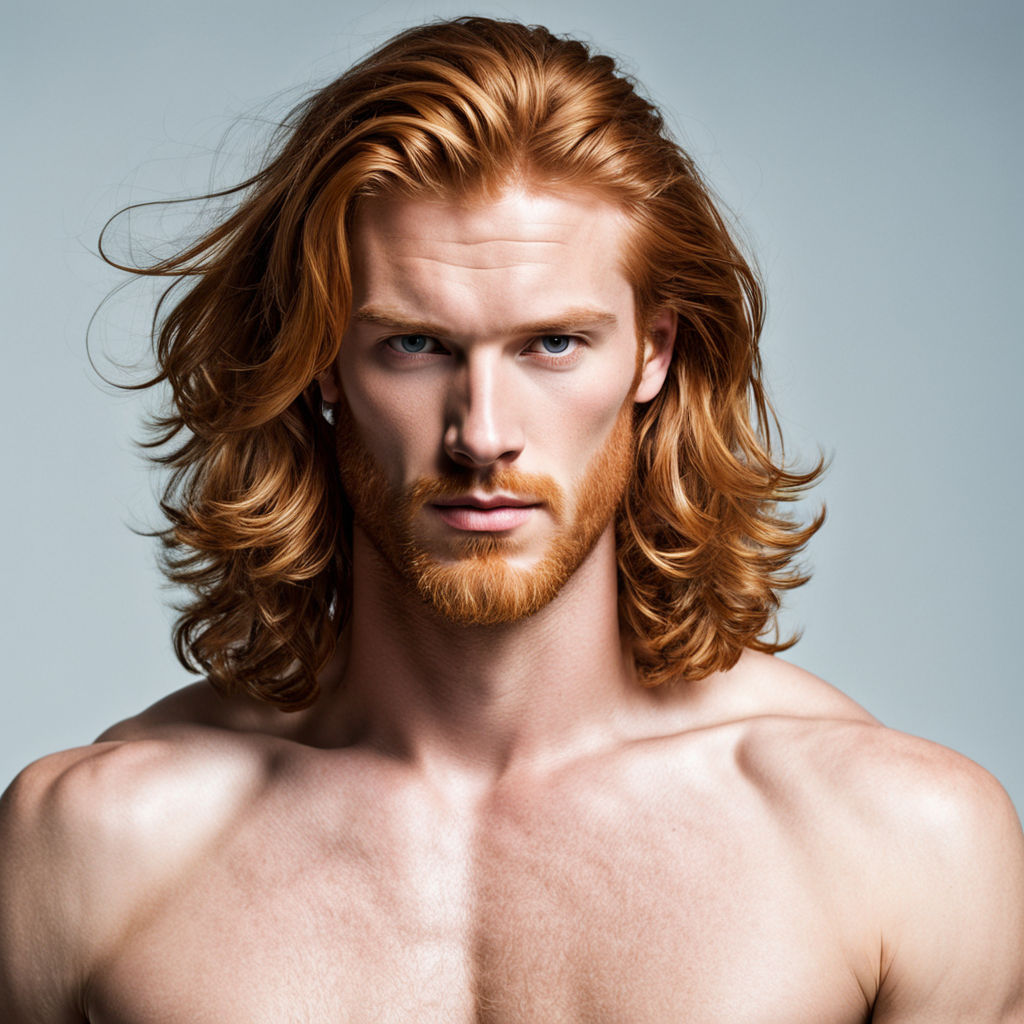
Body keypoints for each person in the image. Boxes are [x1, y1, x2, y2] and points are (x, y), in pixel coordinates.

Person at [2, 16, 1022, 1022]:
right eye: (413, 345)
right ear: (320, 361)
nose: (481, 434)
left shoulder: (896, 845)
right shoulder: (92, 849)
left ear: (652, 353)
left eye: (551, 345)